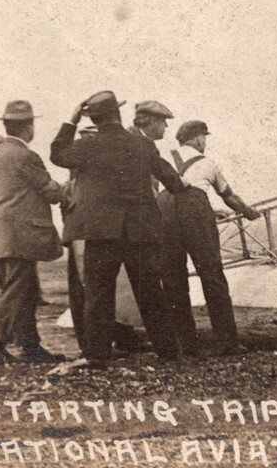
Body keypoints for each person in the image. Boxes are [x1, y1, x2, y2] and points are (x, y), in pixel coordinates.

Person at [50, 90, 187, 366]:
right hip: (140, 229)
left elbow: (57, 155)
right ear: (118, 114)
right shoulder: (142, 145)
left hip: (101, 232)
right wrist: (183, 185)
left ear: (94, 118)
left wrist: (72, 119)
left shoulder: (87, 146)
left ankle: (97, 354)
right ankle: (168, 351)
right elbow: (171, 181)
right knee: (150, 291)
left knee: (99, 293)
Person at [159, 119, 262, 356]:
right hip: (195, 213)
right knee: (212, 274)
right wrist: (249, 212)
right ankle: (226, 341)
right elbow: (229, 197)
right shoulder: (208, 163)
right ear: (197, 139)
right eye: (204, 137)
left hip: (164, 211)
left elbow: (171, 192)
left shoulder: (164, 158)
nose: (204, 142)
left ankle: (186, 343)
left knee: (174, 278)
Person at [0, 101, 66, 365]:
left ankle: (30, 347)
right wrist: (70, 188)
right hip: (18, 234)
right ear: (28, 127)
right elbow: (49, 191)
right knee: (16, 290)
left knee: (22, 289)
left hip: (2, 232)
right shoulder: (25, 155)